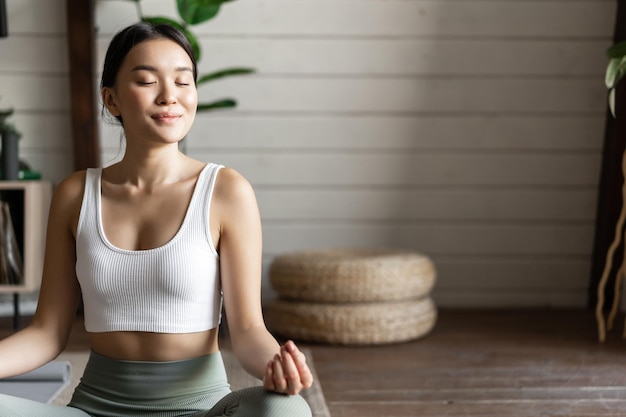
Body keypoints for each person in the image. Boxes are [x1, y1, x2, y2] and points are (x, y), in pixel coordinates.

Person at [0, 22, 313, 417]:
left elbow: (249, 329)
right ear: (111, 100)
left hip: (200, 410)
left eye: (183, 82)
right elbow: (46, 333)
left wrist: (278, 367)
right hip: (95, 409)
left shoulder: (226, 191)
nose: (170, 97)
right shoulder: (74, 194)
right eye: (148, 81)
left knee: (287, 411)